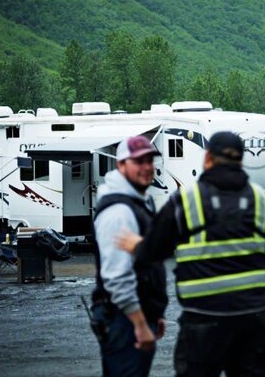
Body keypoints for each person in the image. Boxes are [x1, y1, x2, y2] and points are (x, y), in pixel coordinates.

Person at [116, 131, 265, 376]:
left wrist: (137, 245)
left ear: (208, 158)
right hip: (255, 319)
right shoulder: (263, 201)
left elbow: (154, 251)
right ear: (241, 160)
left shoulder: (185, 200)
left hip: (203, 320)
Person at [90, 135, 168, 376]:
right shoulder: (119, 212)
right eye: (138, 161)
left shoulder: (138, 202)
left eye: (149, 161)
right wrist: (140, 324)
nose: (147, 167)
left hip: (136, 316)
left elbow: (146, 264)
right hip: (124, 320)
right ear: (121, 165)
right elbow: (117, 277)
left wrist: (155, 314)